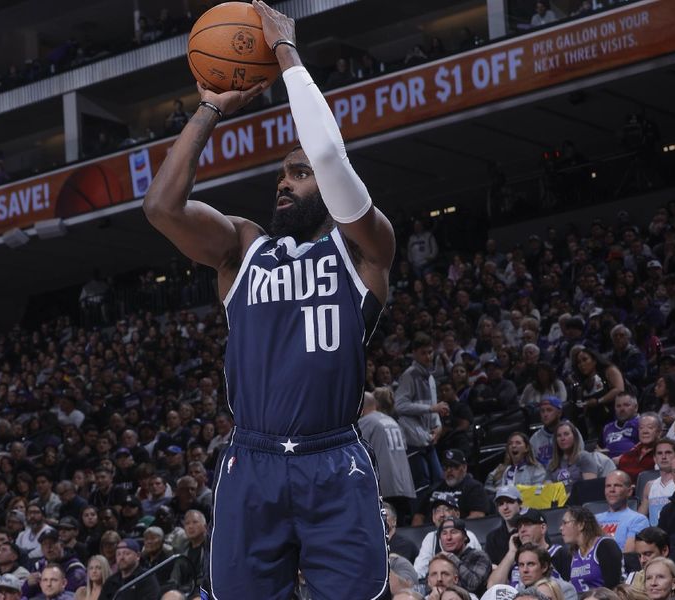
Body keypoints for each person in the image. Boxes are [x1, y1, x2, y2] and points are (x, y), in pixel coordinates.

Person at [144, 2, 395, 596]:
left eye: (299, 173)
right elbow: (161, 208)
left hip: (333, 459)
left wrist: (285, 53)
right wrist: (209, 107)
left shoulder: (366, 250)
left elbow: (332, 158)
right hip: (251, 461)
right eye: (282, 173)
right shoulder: (242, 247)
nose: (285, 180)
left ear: (330, 191)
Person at [395, 333, 447, 490]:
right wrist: (431, 409)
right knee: (422, 484)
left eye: (430, 352)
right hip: (413, 440)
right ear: (414, 354)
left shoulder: (430, 377)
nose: (428, 356)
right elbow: (399, 405)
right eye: (423, 353)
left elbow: (433, 405)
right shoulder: (408, 376)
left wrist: (438, 427)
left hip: (428, 438)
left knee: (438, 479)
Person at [359, 390, 416, 525]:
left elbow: (358, 453)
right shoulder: (390, 420)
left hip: (384, 487)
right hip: (404, 485)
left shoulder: (366, 422)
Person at [413, 493, 482, 580]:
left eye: (447, 510)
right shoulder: (431, 538)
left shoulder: (468, 536)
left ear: (457, 514)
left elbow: (473, 573)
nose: (442, 514)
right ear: (433, 518)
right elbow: (419, 571)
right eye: (437, 511)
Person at [412, 450, 489, 526]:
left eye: (454, 466)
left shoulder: (474, 488)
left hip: (460, 532)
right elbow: (418, 516)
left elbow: (478, 516)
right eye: (445, 467)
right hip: (431, 533)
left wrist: (452, 529)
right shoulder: (434, 488)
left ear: (464, 467)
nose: (449, 470)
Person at [555, 506, 623, 592]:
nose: (561, 528)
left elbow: (613, 587)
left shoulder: (605, 546)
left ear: (581, 525)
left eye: (565, 523)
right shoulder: (572, 554)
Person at [595, 470, 649, 551]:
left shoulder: (638, 520)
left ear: (629, 491)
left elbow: (629, 555)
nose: (612, 490)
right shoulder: (594, 519)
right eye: (608, 486)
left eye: (617, 485)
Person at [436, 518, 491, 595]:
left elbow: (474, 585)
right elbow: (428, 586)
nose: (448, 537)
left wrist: (452, 558)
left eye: (454, 532)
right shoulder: (439, 560)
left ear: (465, 537)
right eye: (444, 533)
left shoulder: (479, 556)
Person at [545, 421, 597, 494]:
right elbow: (548, 491)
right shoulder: (552, 464)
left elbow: (590, 487)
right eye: (559, 436)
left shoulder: (584, 457)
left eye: (566, 434)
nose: (562, 438)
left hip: (580, 503)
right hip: (558, 503)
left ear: (574, 437)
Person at [638, 438, 675, 525]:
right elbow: (639, 518)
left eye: (668, 452)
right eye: (659, 453)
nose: (663, 457)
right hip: (654, 536)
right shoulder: (649, 486)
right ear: (655, 459)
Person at [485, 486, 523, 566]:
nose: (505, 507)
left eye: (509, 502)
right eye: (501, 504)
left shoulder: (531, 530)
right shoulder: (492, 537)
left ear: (520, 504)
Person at [617, 413, 661, 481]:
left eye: (650, 427)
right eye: (641, 428)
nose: (645, 431)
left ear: (659, 432)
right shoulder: (627, 456)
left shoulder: (664, 455)